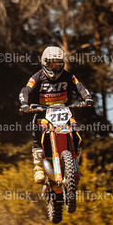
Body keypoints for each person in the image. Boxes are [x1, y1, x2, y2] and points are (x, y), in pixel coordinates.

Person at [19, 45, 93, 183]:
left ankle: (74, 161)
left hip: (64, 111)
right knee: (37, 130)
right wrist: (24, 103)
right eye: (51, 65)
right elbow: (26, 90)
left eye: (58, 65)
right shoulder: (37, 77)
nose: (54, 68)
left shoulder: (68, 76)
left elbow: (79, 86)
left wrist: (87, 97)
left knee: (76, 129)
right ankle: (38, 167)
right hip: (43, 111)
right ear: (44, 63)